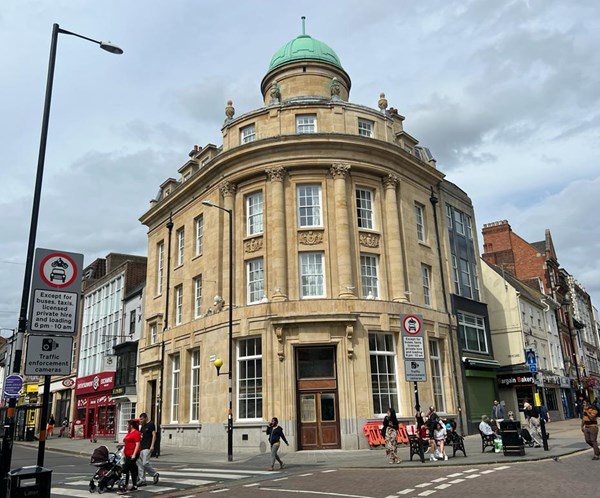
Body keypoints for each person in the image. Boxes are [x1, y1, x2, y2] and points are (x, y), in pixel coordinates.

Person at [118, 419, 141, 494]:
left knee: (125, 469)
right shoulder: (129, 432)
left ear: (131, 426)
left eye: (127, 425)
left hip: (133, 453)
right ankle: (135, 486)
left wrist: (134, 454)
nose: (126, 426)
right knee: (133, 469)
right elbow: (127, 441)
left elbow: (137, 444)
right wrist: (121, 445)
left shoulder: (136, 433)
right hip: (127, 453)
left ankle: (125, 486)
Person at [137, 413, 160, 486]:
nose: (140, 420)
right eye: (140, 419)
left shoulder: (151, 424)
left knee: (145, 463)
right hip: (141, 447)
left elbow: (154, 435)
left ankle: (155, 474)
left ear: (146, 418)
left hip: (147, 446)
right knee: (140, 464)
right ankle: (142, 480)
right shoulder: (142, 427)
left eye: (142, 419)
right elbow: (140, 436)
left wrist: (152, 445)